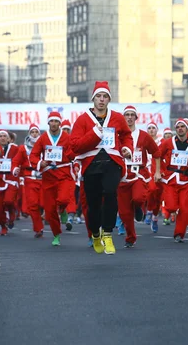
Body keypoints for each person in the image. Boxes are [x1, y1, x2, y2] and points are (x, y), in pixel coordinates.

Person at [70, 81, 133, 255]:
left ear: (109, 99)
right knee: (94, 205)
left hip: (112, 164)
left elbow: (127, 136)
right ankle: (96, 234)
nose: (102, 100)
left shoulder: (117, 117)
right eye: (98, 96)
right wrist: (95, 134)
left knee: (111, 194)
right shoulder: (83, 120)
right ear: (93, 99)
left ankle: (107, 234)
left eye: (105, 96)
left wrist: (127, 149)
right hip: (91, 166)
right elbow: (75, 146)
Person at [116, 105, 161, 247]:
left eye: (131, 115)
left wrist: (158, 171)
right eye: (126, 115)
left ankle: (139, 208)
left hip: (139, 173)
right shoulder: (117, 136)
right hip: (122, 175)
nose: (129, 117)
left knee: (138, 197)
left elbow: (156, 153)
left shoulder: (143, 135)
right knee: (124, 213)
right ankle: (130, 237)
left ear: (136, 117)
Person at [29, 111, 76, 246]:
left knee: (64, 199)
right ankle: (56, 234)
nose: (54, 124)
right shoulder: (43, 138)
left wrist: (76, 163)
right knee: (49, 211)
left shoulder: (66, 137)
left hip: (64, 174)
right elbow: (33, 155)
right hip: (48, 176)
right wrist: (39, 163)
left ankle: (63, 209)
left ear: (60, 123)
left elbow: (74, 153)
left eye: (56, 121)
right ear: (48, 123)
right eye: (52, 121)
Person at [159, 118, 188, 242]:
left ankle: (179, 233)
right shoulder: (168, 143)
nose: (180, 128)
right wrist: (160, 171)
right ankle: (172, 212)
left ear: (187, 129)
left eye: (182, 126)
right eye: (178, 127)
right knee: (171, 207)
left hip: (185, 181)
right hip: (170, 179)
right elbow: (157, 156)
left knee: (185, 209)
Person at [13, 124, 44, 238]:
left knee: (44, 203)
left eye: (36, 132)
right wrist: (15, 168)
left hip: (44, 177)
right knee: (33, 204)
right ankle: (38, 228)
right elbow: (16, 161)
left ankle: (46, 215)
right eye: (32, 132)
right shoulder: (23, 148)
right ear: (29, 134)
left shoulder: (45, 146)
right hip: (30, 178)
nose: (35, 134)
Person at [0, 129, 20, 235]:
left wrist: (18, 168)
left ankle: (11, 213)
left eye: (4, 136)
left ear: (8, 139)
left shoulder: (15, 148)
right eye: (0, 136)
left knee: (9, 201)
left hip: (11, 179)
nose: (2, 138)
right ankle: (3, 226)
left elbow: (22, 159)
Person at [145, 121, 163, 233]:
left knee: (159, 197)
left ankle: (155, 217)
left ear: (157, 130)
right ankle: (149, 211)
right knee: (151, 190)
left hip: (160, 172)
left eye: (153, 128)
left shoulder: (162, 142)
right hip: (147, 171)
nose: (151, 130)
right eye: (149, 128)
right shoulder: (143, 142)